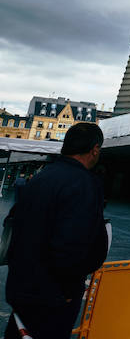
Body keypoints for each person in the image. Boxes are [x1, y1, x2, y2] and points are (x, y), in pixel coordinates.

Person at [4, 123, 108, 339]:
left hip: (22, 284)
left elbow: (15, 224)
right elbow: (71, 243)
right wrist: (68, 291)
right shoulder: (84, 184)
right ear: (95, 149)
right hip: (52, 295)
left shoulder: (41, 177)